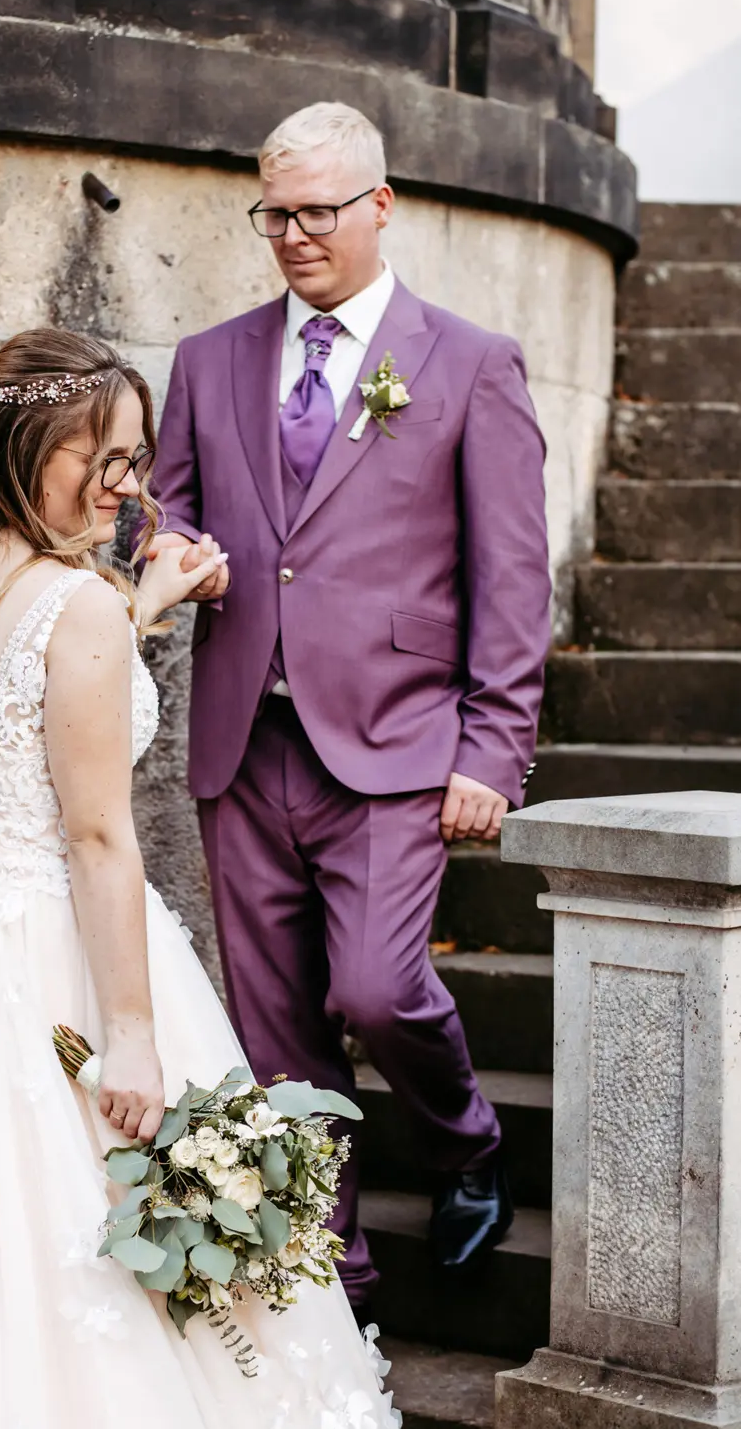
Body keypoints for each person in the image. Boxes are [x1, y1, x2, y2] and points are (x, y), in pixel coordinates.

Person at [0, 328, 400, 1428]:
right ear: (28, 449)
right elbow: (95, 838)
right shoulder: (76, 605)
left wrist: (139, 605)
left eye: (135, 459)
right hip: (52, 960)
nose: (127, 485)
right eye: (104, 458)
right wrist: (131, 1034)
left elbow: (18, 706)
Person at [144, 102, 552, 1306]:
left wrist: (494, 748)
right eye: (273, 213)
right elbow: (163, 510)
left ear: (381, 204)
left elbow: (511, 576)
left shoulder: (469, 362)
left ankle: (466, 1145)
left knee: (375, 989)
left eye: (317, 211)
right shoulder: (209, 359)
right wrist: (172, 550)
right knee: (277, 1033)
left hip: (398, 743)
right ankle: (335, 1285)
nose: (293, 236)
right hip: (243, 741)